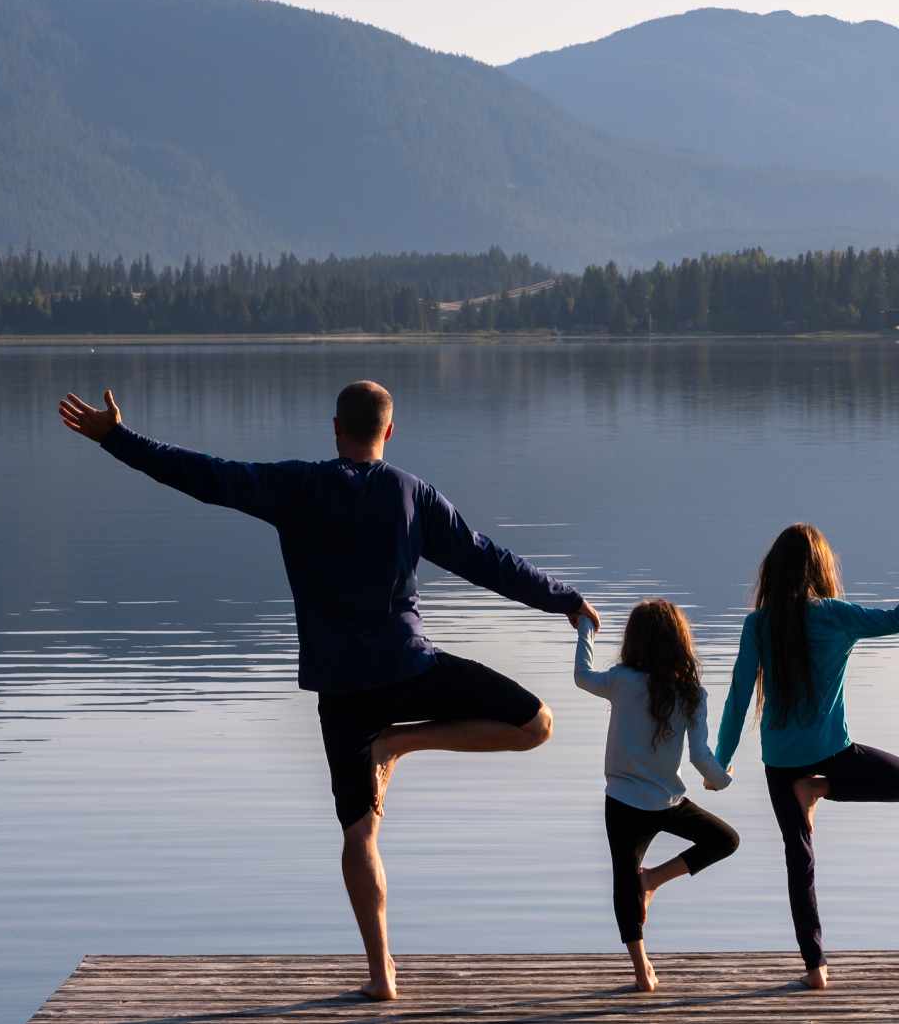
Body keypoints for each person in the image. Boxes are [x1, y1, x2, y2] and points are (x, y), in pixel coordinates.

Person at [57, 380, 600, 1002]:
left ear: (334, 427)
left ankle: (381, 973)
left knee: (359, 835)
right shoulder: (411, 493)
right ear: (389, 433)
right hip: (410, 667)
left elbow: (204, 476)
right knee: (536, 724)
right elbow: (485, 558)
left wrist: (116, 439)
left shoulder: (299, 487)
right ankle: (404, 743)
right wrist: (561, 598)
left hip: (342, 689)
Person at [714, 516, 899, 990]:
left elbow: (738, 696)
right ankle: (820, 787)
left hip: (780, 759)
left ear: (773, 572)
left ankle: (815, 969)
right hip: (833, 752)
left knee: (798, 860)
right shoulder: (836, 616)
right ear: (820, 567)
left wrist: (721, 760)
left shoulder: (757, 624)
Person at [572, 598, 739, 992]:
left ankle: (641, 966)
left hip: (625, 802)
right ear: (680, 642)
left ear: (634, 641)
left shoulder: (621, 680)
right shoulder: (691, 693)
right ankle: (653, 883)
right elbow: (701, 756)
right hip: (667, 802)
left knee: (624, 878)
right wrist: (722, 780)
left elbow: (582, 676)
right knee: (725, 840)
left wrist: (585, 628)